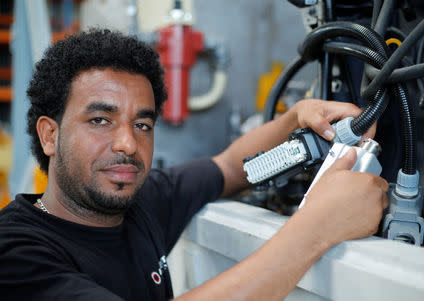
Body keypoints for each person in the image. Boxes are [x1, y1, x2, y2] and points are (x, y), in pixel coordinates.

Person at [0, 29, 388, 300]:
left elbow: (231, 168)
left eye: (142, 124)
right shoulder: (16, 253)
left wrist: (297, 118)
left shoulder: (141, 203)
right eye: (100, 120)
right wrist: (315, 229)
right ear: (50, 136)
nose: (128, 143)